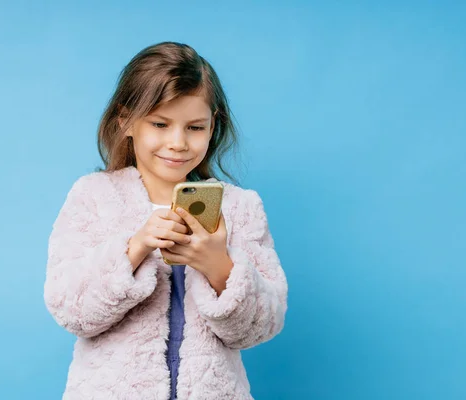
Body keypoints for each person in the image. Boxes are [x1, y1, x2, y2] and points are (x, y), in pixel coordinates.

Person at [43, 41, 288, 400]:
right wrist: (135, 248)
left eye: (194, 127)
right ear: (126, 121)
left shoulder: (239, 208)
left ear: (212, 126)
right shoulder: (94, 197)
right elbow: (70, 309)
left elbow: (263, 325)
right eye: (160, 123)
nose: (177, 142)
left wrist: (219, 266)